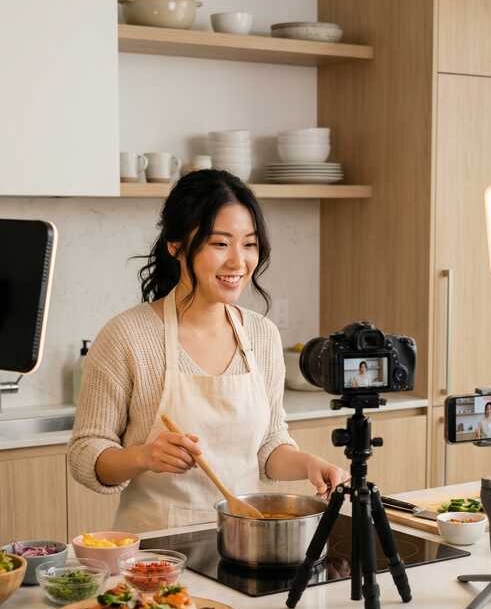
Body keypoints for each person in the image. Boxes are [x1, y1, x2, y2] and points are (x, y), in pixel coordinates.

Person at [68, 170, 349, 532]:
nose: (238, 262)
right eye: (220, 244)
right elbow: (85, 454)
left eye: (249, 244)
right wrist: (144, 457)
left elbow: (269, 446)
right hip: (157, 549)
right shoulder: (127, 336)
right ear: (176, 245)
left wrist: (310, 465)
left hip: (246, 539)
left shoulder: (262, 335)